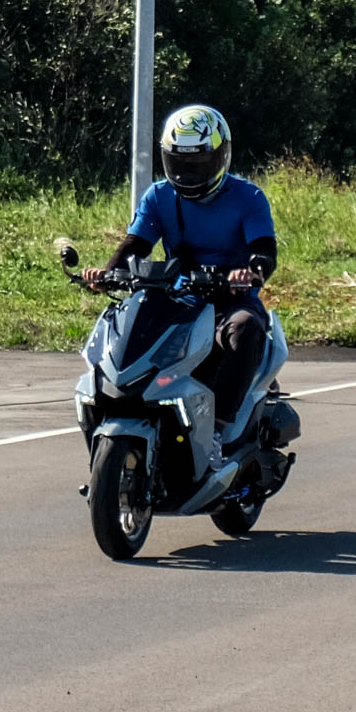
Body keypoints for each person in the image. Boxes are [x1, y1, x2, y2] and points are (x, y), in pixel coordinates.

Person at [83, 104, 277, 466]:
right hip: (178, 298)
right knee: (130, 325)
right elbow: (135, 245)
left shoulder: (248, 198)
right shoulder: (158, 196)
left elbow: (264, 250)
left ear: (222, 155)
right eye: (179, 162)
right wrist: (107, 274)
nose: (188, 172)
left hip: (230, 300)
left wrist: (251, 271)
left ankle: (217, 431)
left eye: (199, 163)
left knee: (245, 329)